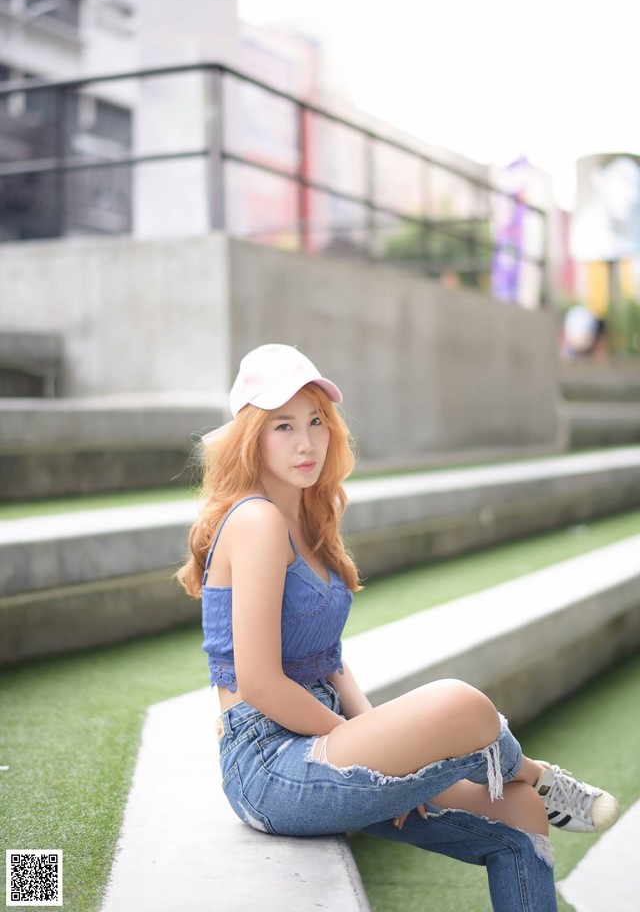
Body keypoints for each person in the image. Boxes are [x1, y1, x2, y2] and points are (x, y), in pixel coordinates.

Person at [177, 343, 620, 912]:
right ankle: (535, 773)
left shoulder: (307, 520)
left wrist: (379, 746)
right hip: (270, 766)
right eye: (283, 426)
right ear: (251, 437)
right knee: (464, 707)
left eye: (315, 421)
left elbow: (330, 661)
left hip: (324, 742)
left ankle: (532, 790)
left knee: (519, 815)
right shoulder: (257, 521)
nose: (306, 442)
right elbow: (258, 683)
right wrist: (365, 747)